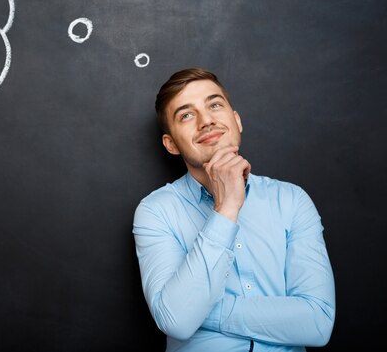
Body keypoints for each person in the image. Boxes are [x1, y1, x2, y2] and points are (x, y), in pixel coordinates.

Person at [132, 68, 335, 352]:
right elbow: (176, 321)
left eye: (214, 105)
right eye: (186, 115)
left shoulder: (291, 200)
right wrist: (226, 209)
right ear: (171, 144)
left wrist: (203, 310)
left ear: (236, 120)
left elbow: (318, 322)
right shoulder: (156, 211)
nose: (207, 121)